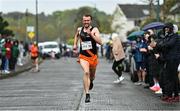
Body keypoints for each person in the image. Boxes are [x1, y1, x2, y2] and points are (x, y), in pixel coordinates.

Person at [73, 14, 102, 103]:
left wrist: (91, 35)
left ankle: (91, 81)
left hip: (93, 57)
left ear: (90, 21)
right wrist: (74, 45)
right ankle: (87, 94)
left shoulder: (94, 29)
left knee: (92, 76)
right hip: (83, 56)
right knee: (86, 72)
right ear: (83, 21)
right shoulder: (79, 29)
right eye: (84, 20)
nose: (86, 22)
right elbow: (76, 36)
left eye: (88, 20)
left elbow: (100, 42)